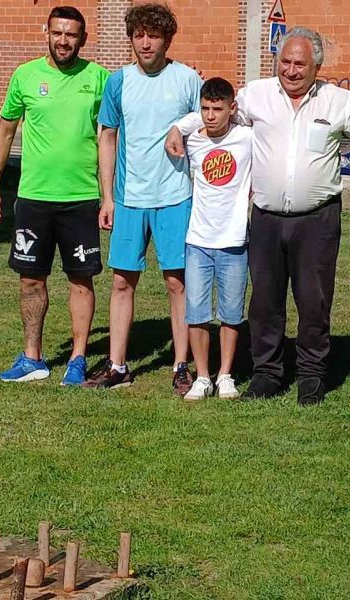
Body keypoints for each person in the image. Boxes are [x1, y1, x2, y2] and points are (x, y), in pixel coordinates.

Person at [169, 27, 350, 405]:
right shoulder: (256, 95)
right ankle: (267, 373)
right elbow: (217, 110)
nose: (291, 70)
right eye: (285, 62)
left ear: (317, 67)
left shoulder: (338, 102)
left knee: (313, 301)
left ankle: (311, 375)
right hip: (266, 218)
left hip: (317, 219)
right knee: (264, 301)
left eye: (300, 64)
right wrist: (179, 128)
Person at [0, 6, 109, 385]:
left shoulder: (99, 78)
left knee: (81, 280)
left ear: (83, 38)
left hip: (81, 198)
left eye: (71, 34)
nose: (63, 41)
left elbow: (110, 137)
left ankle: (78, 358)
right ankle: (32, 358)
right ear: (47, 33)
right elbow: (5, 131)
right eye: (57, 33)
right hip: (34, 198)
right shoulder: (25, 76)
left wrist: (108, 196)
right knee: (30, 280)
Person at [83, 3, 202, 394]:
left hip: (176, 197)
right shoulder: (118, 82)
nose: (145, 43)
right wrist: (107, 197)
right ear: (131, 39)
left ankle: (181, 365)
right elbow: (107, 138)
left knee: (177, 283)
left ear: (167, 40)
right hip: (129, 198)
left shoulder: (187, 79)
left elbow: (204, 130)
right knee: (121, 282)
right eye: (139, 35)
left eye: (153, 35)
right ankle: (117, 365)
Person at [178, 77, 252, 401]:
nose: (210, 116)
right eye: (205, 109)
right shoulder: (193, 141)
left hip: (234, 240)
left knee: (231, 313)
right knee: (196, 312)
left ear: (231, 109)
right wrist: (178, 127)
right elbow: (180, 127)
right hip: (198, 240)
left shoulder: (246, 138)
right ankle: (202, 376)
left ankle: (225, 374)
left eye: (217, 109)